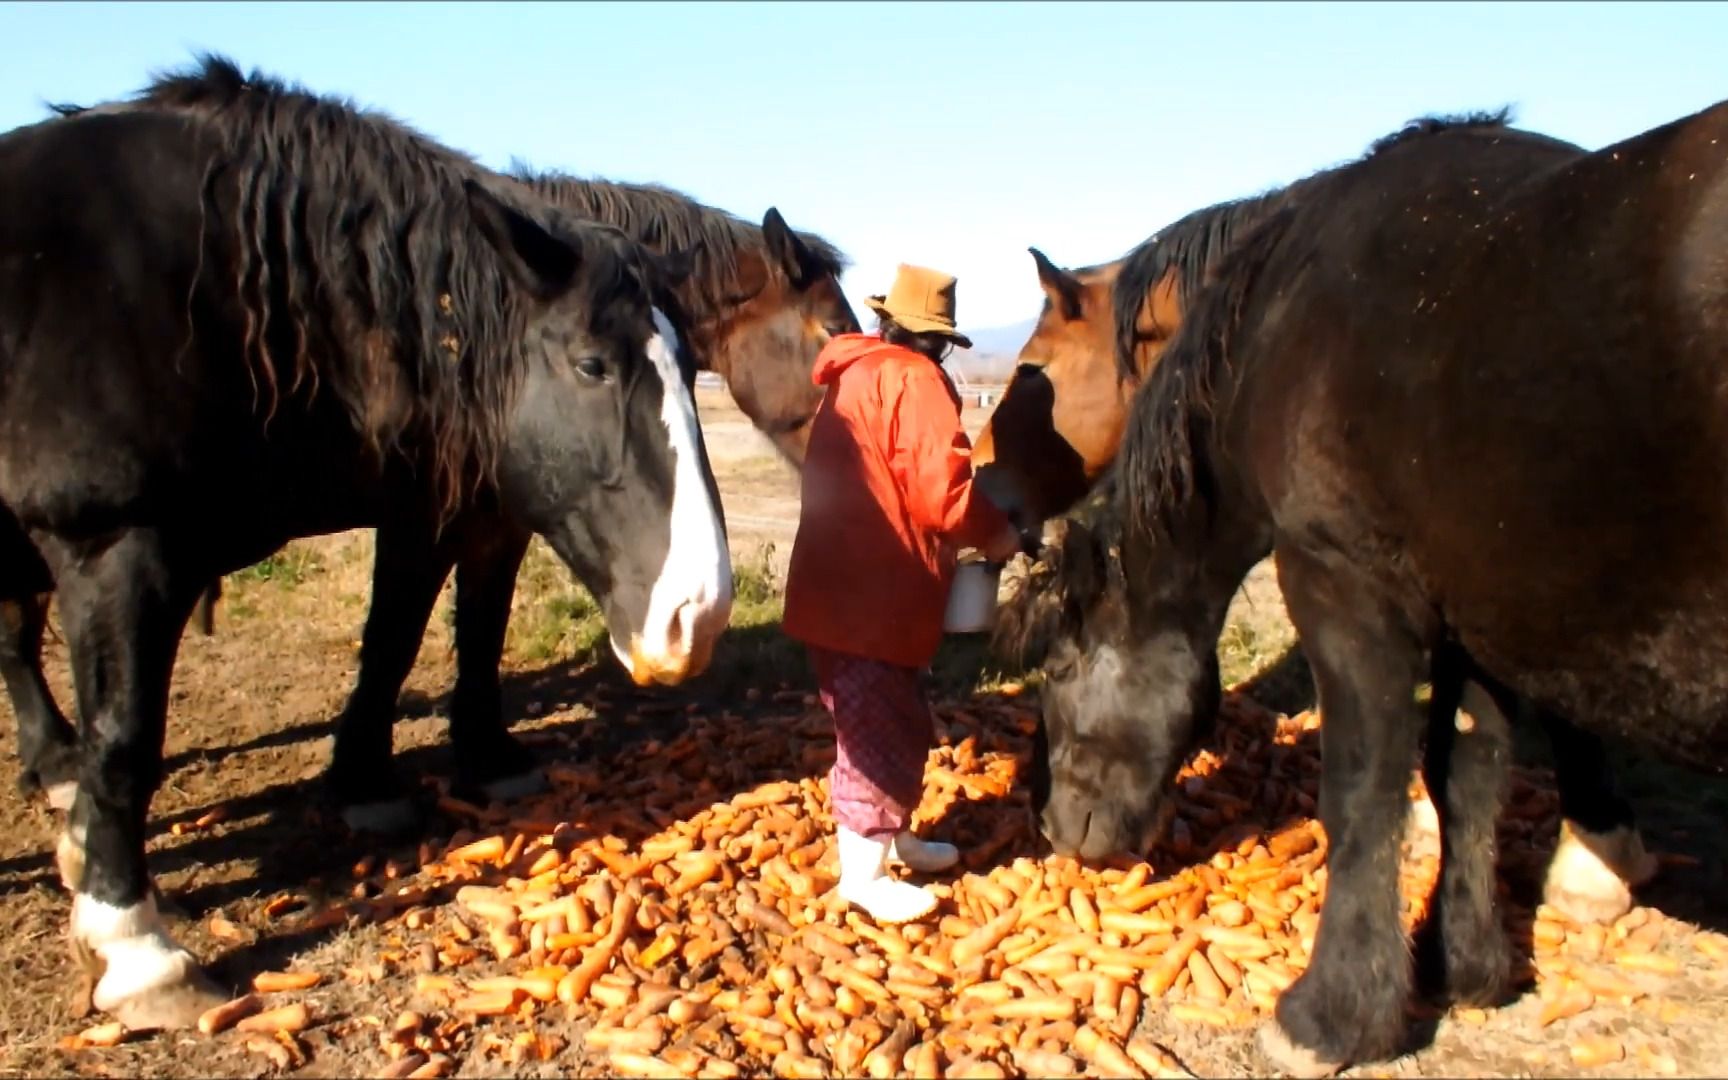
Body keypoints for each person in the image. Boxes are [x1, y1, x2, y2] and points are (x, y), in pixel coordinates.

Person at [782, 263, 1024, 924]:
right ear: (934, 339)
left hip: (835, 586)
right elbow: (940, 494)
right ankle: (864, 876)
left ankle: (892, 839)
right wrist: (998, 536)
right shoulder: (914, 379)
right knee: (878, 731)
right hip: (876, 593)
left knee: (885, 720)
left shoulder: (855, 372)